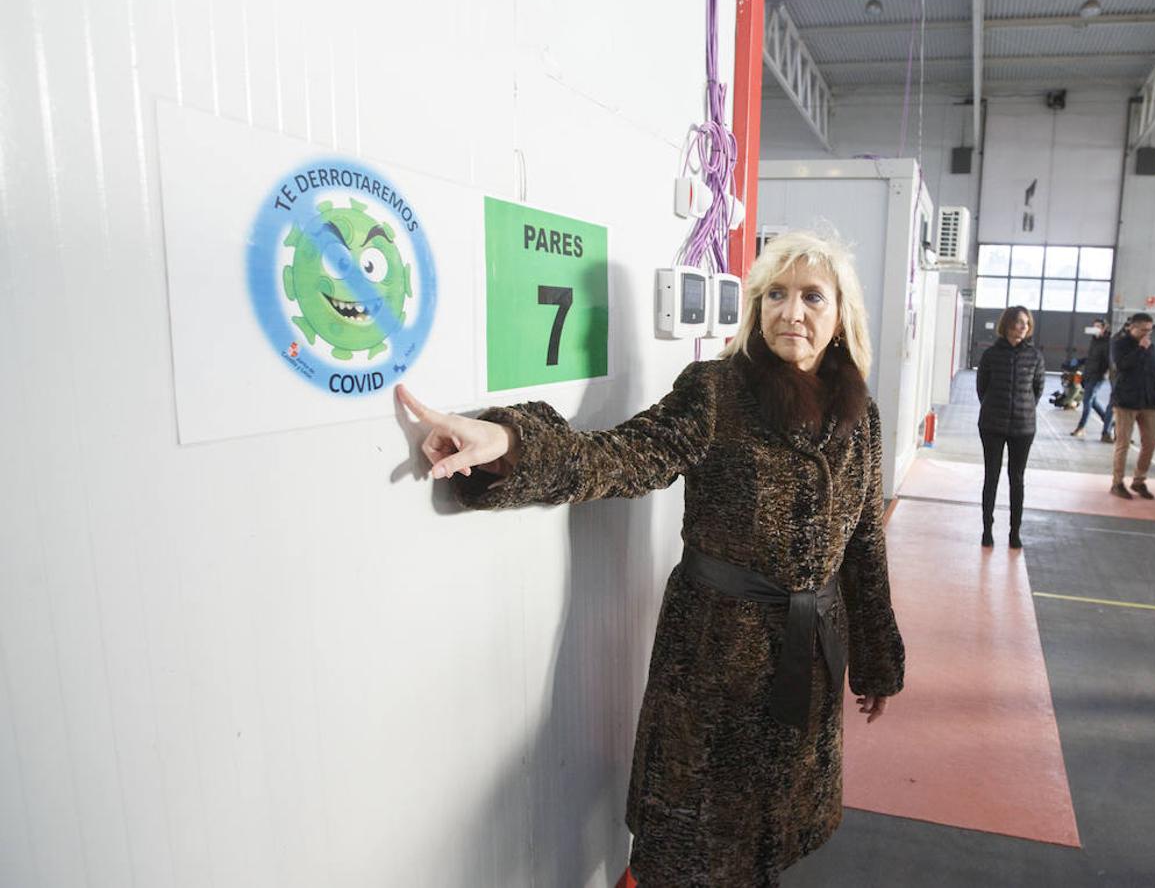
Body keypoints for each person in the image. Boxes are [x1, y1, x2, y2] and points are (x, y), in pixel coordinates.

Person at [395, 230, 907, 888]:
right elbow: (622, 456)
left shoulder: (861, 417)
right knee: (689, 850)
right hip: (713, 666)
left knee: (769, 837)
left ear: (840, 317)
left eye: (812, 296)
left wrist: (875, 661)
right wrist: (510, 444)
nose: (792, 312)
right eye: (775, 294)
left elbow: (864, 542)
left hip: (808, 660)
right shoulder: (717, 392)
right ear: (756, 307)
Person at [976, 305, 1047, 549]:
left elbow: (1037, 390)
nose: (1022, 327)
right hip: (992, 424)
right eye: (1018, 322)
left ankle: (1014, 532)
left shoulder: (1035, 356)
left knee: (1017, 479)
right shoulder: (991, 355)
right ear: (1006, 324)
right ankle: (987, 529)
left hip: (1023, 427)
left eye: (1026, 324)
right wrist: (995, 406)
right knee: (991, 477)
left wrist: (1024, 408)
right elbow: (982, 389)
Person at [1108, 313, 1155, 500]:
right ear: (1133, 328)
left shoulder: (1152, 348)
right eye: (1143, 330)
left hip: (1149, 403)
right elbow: (1122, 366)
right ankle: (1117, 482)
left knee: (1150, 443)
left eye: (1150, 330)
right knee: (1123, 444)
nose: (1147, 334)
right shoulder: (1120, 344)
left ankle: (1139, 480)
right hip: (1126, 402)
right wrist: (1139, 349)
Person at [1070, 318, 1114, 442]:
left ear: (1104, 328)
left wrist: (1107, 374)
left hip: (1098, 376)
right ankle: (1107, 420)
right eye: (1093, 326)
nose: (1095, 328)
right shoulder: (1094, 341)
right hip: (1088, 375)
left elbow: (1109, 361)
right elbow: (1091, 358)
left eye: (1098, 326)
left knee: (1087, 400)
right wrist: (1080, 361)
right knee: (1092, 401)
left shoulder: (1108, 343)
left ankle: (1081, 427)